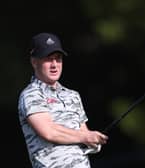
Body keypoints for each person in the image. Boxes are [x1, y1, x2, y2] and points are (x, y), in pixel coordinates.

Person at [18, 32, 108, 168]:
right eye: (48, 59)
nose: (54, 64)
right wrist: (85, 137)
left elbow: (84, 134)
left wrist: (93, 140)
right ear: (34, 62)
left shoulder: (73, 95)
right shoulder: (30, 95)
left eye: (58, 58)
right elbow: (49, 131)